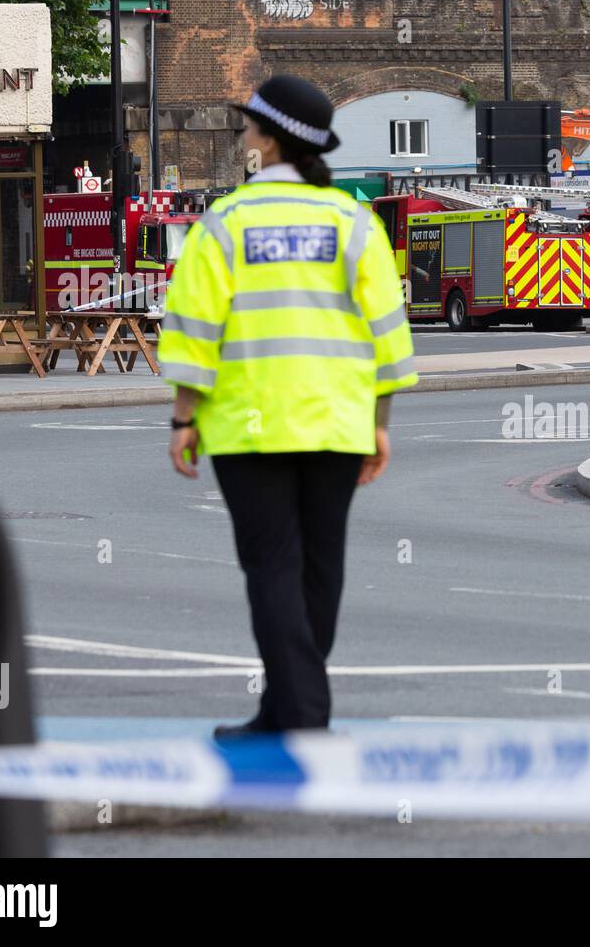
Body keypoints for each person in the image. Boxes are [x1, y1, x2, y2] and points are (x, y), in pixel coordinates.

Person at [157, 74, 417, 740]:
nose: (243, 133)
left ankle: (300, 714)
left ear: (269, 141)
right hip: (338, 423)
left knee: (272, 568)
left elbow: (194, 330)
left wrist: (185, 419)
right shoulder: (353, 223)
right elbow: (388, 333)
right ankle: (283, 710)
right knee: (320, 568)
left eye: (248, 125)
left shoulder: (225, 225)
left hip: (249, 427)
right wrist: (380, 426)